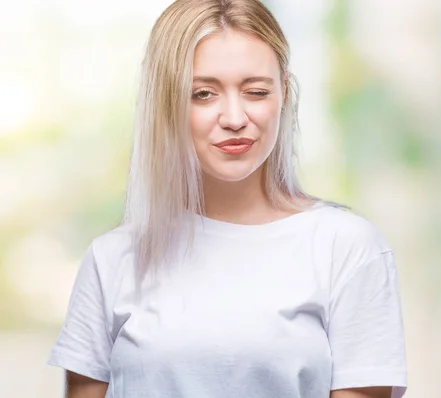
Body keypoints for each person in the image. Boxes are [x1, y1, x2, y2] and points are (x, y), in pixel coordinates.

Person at [46, 1, 408, 397]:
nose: (234, 117)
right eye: (203, 94)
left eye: (256, 91)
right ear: (165, 102)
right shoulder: (112, 260)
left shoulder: (346, 248)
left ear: (284, 92)